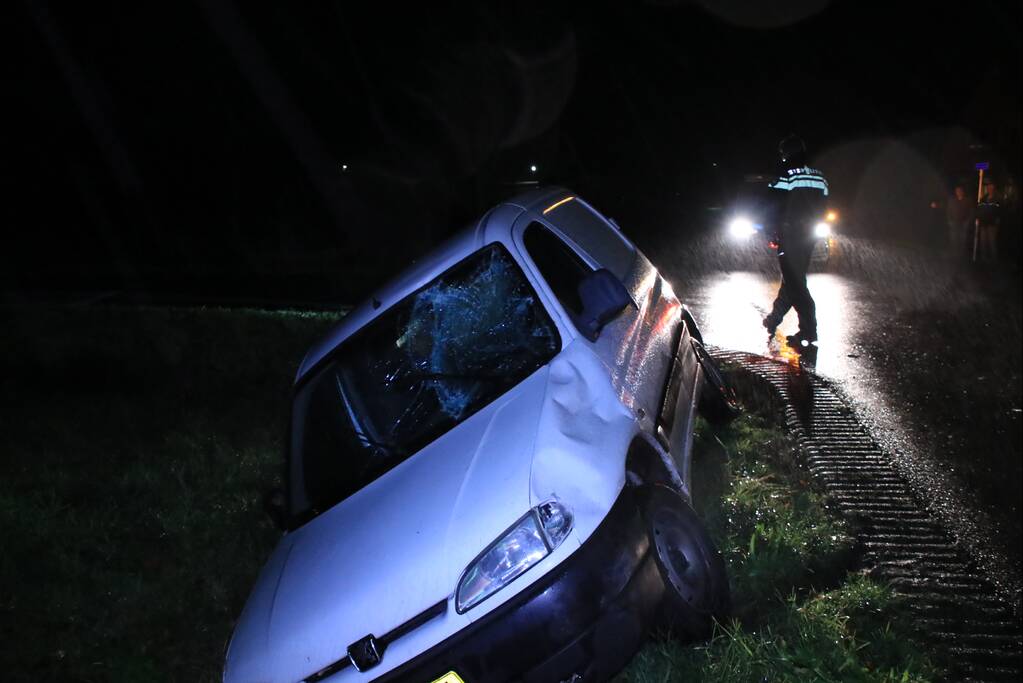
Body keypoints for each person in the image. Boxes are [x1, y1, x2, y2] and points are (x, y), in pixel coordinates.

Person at [762, 135, 829, 349]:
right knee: (793, 279)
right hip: (808, 237)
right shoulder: (819, 176)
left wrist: (773, 232)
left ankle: (809, 331)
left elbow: (774, 205)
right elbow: (824, 205)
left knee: (797, 284)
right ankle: (774, 318)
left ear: (786, 154)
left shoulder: (786, 175)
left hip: (789, 236)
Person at [975, 179, 1001, 263]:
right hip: (983, 223)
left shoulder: (997, 198)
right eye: (989, 187)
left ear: (994, 188)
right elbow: (979, 209)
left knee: (992, 242)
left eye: (991, 188)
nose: (990, 189)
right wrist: (978, 218)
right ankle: (984, 258)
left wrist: (997, 220)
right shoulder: (984, 198)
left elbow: (999, 210)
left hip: (992, 224)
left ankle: (994, 259)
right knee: (983, 241)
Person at [945, 183, 974, 258]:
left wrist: (967, 221)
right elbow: (948, 211)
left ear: (963, 192)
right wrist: (949, 220)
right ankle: (954, 254)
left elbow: (971, 212)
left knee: (963, 239)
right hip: (954, 222)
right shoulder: (952, 200)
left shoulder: (967, 200)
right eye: (957, 191)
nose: (958, 192)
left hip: (963, 223)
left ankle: (961, 255)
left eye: (960, 191)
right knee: (954, 239)